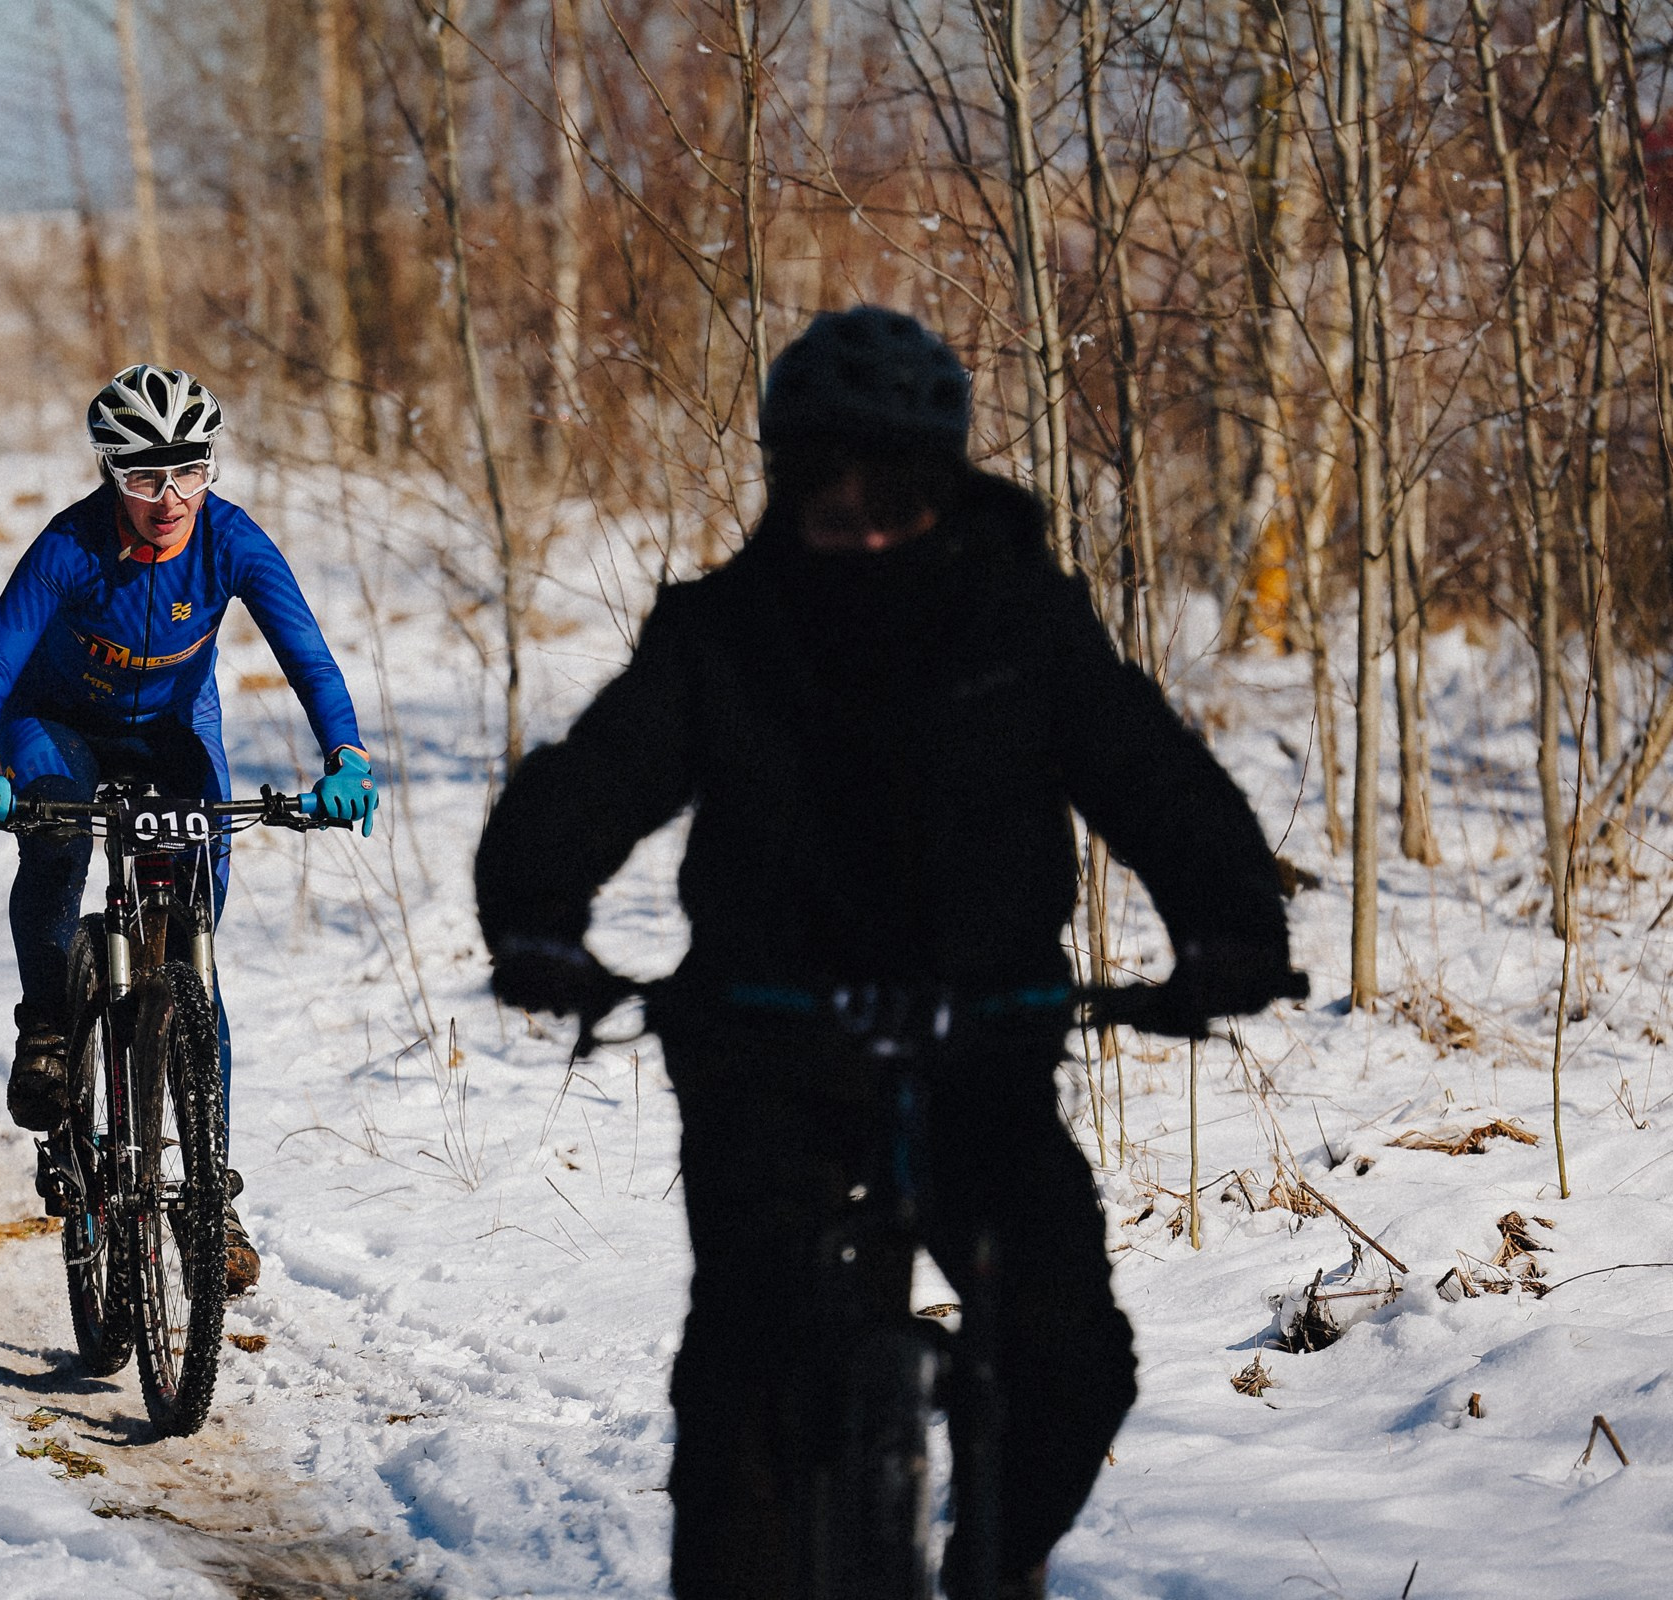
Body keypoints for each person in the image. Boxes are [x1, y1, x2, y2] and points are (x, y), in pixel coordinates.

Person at [473, 308, 1296, 1599]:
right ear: (785, 487)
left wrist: (1233, 924)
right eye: (826, 495)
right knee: (747, 1373)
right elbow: (601, 775)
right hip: (768, 1052)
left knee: (1069, 1355)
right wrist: (534, 916)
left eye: (894, 497)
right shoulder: (726, 632)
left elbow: (1151, 776)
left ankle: (994, 1568)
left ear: (944, 486)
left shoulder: (1022, 623)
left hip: (985, 1053)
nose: (859, 527)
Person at [0, 362, 378, 1294]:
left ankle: (209, 1195)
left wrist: (345, 756)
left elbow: (307, 655)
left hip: (173, 731)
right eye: (144, 477)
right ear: (110, 473)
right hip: (54, 723)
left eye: (190, 470)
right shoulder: (68, 546)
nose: (170, 496)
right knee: (59, 838)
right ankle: (49, 1023)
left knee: (193, 950)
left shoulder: (232, 539)